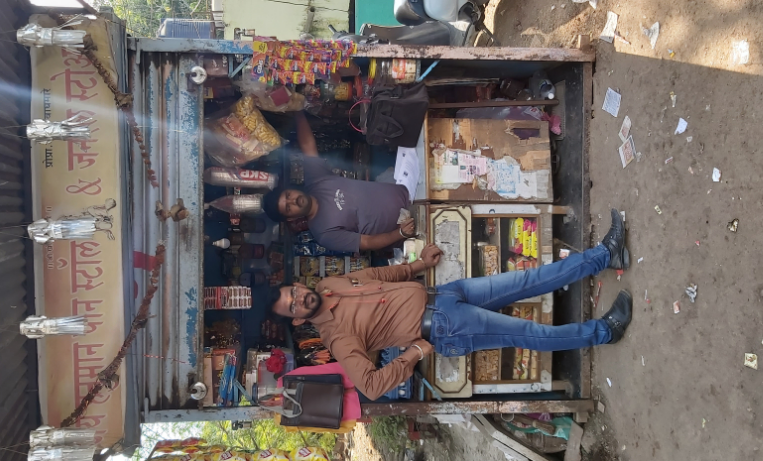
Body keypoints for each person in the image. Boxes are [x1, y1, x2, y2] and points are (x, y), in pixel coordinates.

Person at [268, 209, 633, 400]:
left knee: (527, 279)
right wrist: (412, 354)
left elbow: (380, 275)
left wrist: (418, 266)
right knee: (528, 332)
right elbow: (371, 386)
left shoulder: (330, 282)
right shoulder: (337, 338)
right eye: (292, 307)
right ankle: (605, 332)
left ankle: (604, 256)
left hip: (442, 294)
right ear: (298, 320)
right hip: (443, 327)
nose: (298, 299)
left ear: (299, 285)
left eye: (293, 293)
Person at [262, 111, 414, 252]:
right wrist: (400, 233)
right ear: (291, 217)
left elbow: (308, 146)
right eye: (288, 208)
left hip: (409, 191)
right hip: (409, 224)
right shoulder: (324, 233)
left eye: (288, 195)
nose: (293, 200)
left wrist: (297, 111)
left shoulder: (316, 180)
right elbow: (366, 242)